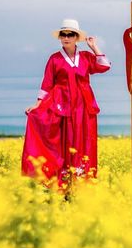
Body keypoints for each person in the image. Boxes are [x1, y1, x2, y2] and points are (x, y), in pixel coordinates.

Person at [21, 19, 111, 187]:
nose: (66, 37)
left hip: (83, 105)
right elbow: (47, 83)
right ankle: (61, 180)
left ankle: (80, 181)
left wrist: (93, 47)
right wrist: (38, 104)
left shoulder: (85, 57)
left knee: (83, 139)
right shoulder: (55, 59)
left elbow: (105, 66)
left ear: (76, 37)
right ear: (60, 37)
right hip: (61, 104)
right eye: (63, 34)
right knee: (63, 140)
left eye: (70, 34)